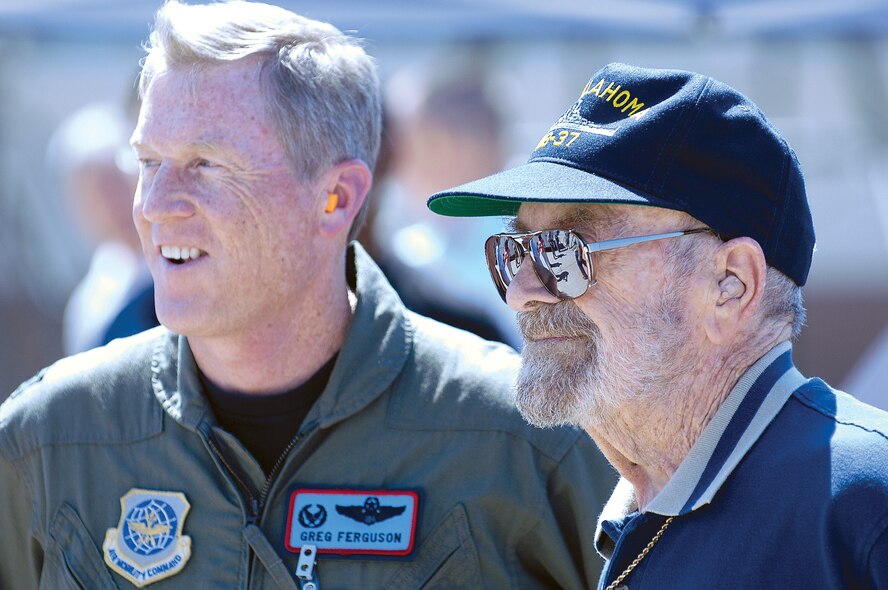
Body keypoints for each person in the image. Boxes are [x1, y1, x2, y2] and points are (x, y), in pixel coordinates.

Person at [0, 2, 615, 589]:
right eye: (148, 163)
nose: (156, 205)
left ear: (336, 199)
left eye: (206, 164)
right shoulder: (49, 441)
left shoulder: (524, 441)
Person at [428, 62, 888, 589]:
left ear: (731, 283)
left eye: (567, 251)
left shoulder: (866, 508)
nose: (522, 292)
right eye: (516, 251)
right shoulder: (639, 509)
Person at [48, 102, 158, 355]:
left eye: (116, 180)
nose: (112, 200)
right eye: (96, 189)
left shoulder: (182, 260)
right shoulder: (91, 304)